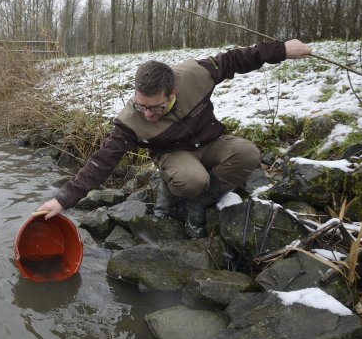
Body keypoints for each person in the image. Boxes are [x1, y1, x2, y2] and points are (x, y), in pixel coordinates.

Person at [36, 39, 313, 238]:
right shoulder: (130, 121)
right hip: (173, 155)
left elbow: (236, 59)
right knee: (192, 180)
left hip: (210, 142)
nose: (148, 114)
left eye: (156, 108)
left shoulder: (196, 74)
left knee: (248, 154)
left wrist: (282, 50)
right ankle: (174, 188)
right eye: (141, 105)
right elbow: (101, 162)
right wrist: (62, 200)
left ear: (172, 93)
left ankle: (200, 202)